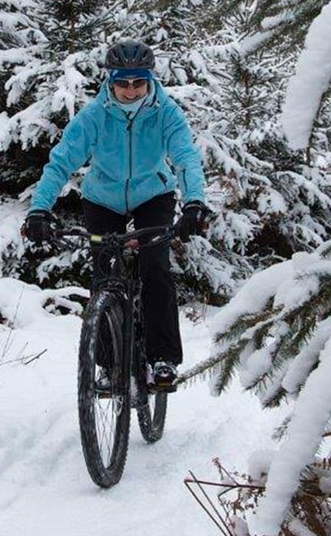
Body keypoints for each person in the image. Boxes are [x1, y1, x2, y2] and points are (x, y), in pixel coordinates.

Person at [22, 39, 209, 390]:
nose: (130, 89)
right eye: (123, 82)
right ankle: (109, 365)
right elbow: (61, 163)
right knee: (105, 275)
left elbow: (185, 157)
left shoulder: (166, 112)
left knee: (155, 268)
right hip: (103, 199)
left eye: (138, 82)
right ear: (111, 81)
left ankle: (163, 359)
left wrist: (195, 202)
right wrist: (39, 209)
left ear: (149, 80)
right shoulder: (93, 116)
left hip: (153, 195)